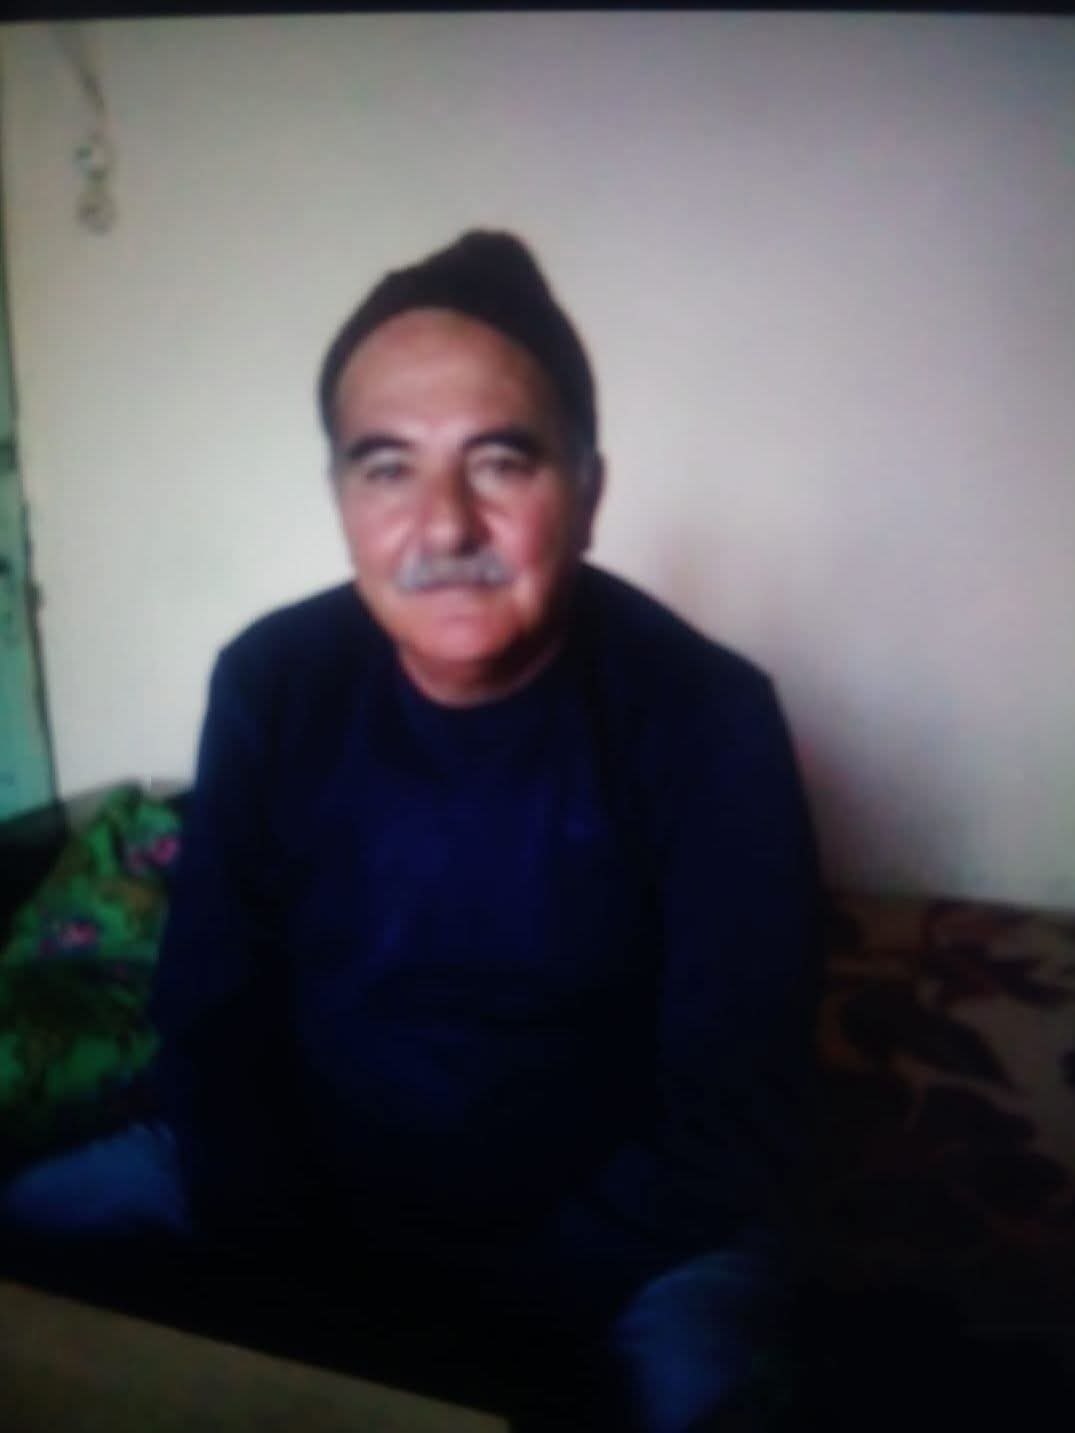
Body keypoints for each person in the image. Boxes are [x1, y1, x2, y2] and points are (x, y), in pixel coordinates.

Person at [1, 232, 822, 1431]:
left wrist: (467, 1320)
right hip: (303, 1192)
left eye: (501, 461)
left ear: (587, 492)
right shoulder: (273, 678)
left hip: (622, 1239)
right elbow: (209, 1013)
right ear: (341, 497)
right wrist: (297, 1261)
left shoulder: (709, 714)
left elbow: (728, 1117)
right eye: (386, 467)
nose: (442, 526)